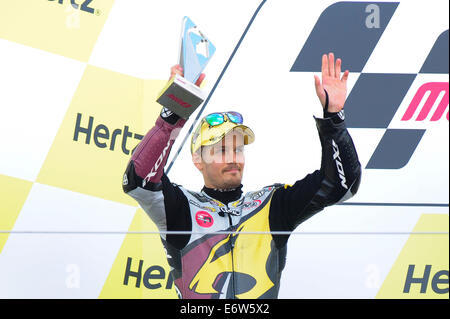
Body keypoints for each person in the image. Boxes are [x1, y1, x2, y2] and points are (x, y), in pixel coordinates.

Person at [122, 53, 361, 299]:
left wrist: (334, 119)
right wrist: (173, 113)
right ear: (197, 159)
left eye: (237, 149)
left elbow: (343, 185)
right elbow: (137, 180)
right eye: (221, 150)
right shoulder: (180, 208)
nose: (233, 157)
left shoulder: (272, 205)